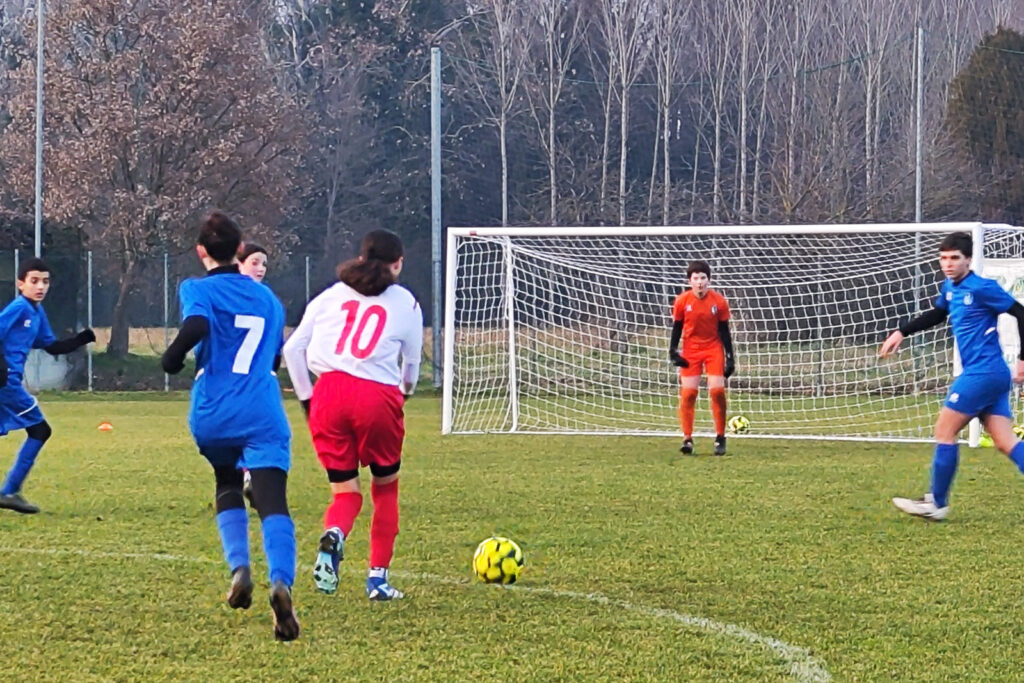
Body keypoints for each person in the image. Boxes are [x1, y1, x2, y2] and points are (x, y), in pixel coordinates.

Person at [161, 211, 299, 640]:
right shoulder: (269, 300)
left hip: (213, 409)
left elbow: (198, 323)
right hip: (261, 408)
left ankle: (239, 567)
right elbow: (273, 358)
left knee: (226, 482)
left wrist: (172, 358)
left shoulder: (196, 288)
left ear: (201, 250)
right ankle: (281, 582)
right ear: (240, 251)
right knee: (273, 500)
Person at [283, 229, 422, 601]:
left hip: (328, 394)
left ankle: (335, 534)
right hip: (377, 396)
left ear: (362, 257)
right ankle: (378, 579)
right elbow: (411, 366)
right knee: (385, 487)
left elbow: (292, 350)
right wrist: (403, 395)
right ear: (398, 263)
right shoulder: (405, 302)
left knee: (345, 493)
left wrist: (308, 401)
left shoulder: (331, 295)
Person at [881, 231, 1024, 521]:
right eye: (943, 258)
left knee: (944, 431)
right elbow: (937, 314)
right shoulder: (950, 287)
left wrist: (1022, 359)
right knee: (1005, 441)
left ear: (968, 260)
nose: (948, 264)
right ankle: (936, 502)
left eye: (954, 258)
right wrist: (901, 331)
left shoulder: (981, 287)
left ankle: (937, 503)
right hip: (989, 374)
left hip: (984, 372)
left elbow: (1022, 313)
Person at [0, 258, 95, 513]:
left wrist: (80, 340)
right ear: (21, 284)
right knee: (40, 430)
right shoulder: (19, 308)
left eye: (45, 281)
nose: (40, 286)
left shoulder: (36, 312)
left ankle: (9, 491)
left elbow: (50, 346)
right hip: (6, 383)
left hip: (7, 382)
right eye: (34, 281)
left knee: (38, 431)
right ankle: (9, 491)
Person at [669, 260, 736, 455]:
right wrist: (673, 351)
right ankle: (687, 438)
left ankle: (720, 437)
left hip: (713, 349)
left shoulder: (718, 301)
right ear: (689, 281)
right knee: (688, 394)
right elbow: (677, 327)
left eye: (703, 278)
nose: (699, 282)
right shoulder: (682, 301)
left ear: (709, 280)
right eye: (696, 278)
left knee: (717, 391)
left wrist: (730, 357)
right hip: (691, 350)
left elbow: (724, 331)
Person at [237, 242, 269, 508]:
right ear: (239, 264)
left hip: (254, 378)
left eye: (264, 264)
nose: (261, 268)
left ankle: (248, 476)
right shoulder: (259, 299)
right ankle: (248, 476)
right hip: (242, 379)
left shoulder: (266, 298)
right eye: (255, 262)